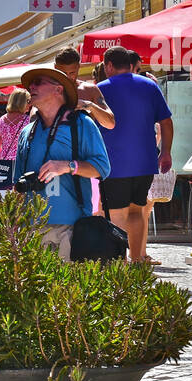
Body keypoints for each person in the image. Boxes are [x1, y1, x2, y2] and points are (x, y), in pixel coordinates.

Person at [12, 66, 111, 261]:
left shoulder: (81, 124)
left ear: (58, 89)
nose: (31, 87)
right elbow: (17, 185)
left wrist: (68, 166)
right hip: (31, 229)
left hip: (70, 229)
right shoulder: (27, 132)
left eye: (38, 82)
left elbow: (102, 168)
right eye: (30, 84)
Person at [96, 47, 173, 265]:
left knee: (117, 214)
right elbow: (166, 122)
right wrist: (166, 151)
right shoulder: (149, 85)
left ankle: (119, 263)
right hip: (145, 162)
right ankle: (138, 258)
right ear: (129, 65)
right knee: (137, 211)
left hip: (114, 163)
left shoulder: (100, 89)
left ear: (109, 65)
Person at [54, 48, 116, 130]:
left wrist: (89, 105)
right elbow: (34, 119)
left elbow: (110, 123)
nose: (68, 77)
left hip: (83, 142)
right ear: (55, 68)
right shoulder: (46, 90)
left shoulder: (90, 90)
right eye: (63, 73)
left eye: (72, 72)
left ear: (78, 67)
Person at [0, 88, 31, 160]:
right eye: (28, 101)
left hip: (4, 162)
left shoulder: (1, 120)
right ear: (22, 103)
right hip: (21, 161)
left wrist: (1, 158)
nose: (30, 104)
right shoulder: (28, 120)